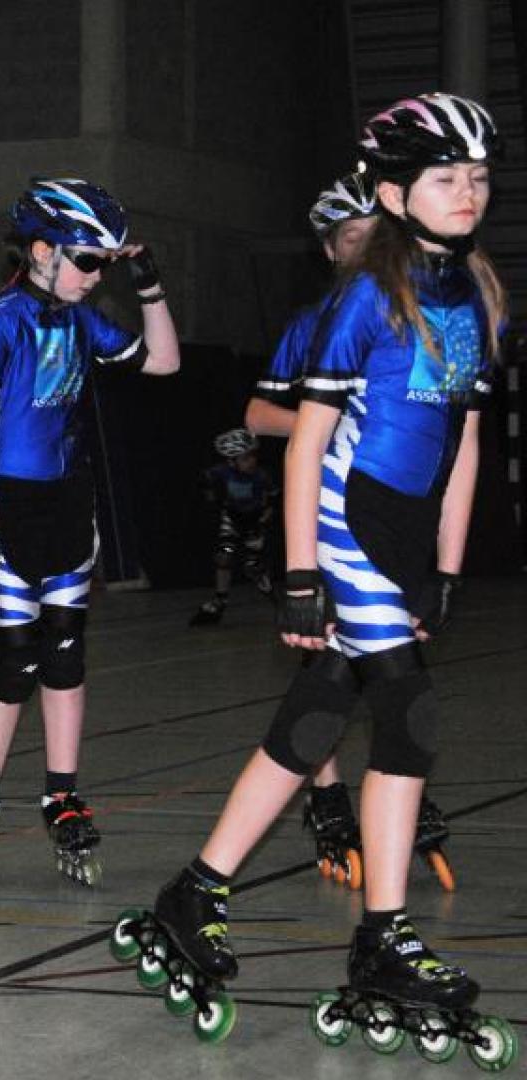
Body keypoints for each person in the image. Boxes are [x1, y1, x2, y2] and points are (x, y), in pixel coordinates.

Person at [125, 93, 506, 1053]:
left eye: (478, 177)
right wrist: (301, 573)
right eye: (444, 177)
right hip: (346, 520)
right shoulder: (365, 299)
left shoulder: (476, 296)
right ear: (394, 194)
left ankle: (196, 890)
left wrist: (447, 565)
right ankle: (384, 936)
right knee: (409, 711)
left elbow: (464, 443)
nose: (467, 192)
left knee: (321, 711)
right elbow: (305, 442)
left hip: (409, 531)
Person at [0, 177, 181, 889]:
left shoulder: (82, 320)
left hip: (69, 502)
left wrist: (148, 285)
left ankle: (62, 792)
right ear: (43, 251)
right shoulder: (2, 320)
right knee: (15, 658)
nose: (97, 275)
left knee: (66, 652)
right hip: (11, 505)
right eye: (88, 261)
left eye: (105, 264)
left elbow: (164, 362)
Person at [244, 173, 451, 890]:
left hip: (387, 512)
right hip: (323, 510)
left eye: (376, 237)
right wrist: (327, 425)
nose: (367, 250)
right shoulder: (314, 323)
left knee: (355, 661)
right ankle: (330, 794)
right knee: (336, 660)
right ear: (332, 250)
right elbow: (257, 415)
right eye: (353, 239)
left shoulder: (417, 313)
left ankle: (392, 780)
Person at [187, 428, 277, 627]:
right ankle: (220, 601)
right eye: (245, 459)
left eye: (252, 456)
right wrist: (211, 497)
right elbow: (204, 479)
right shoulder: (221, 472)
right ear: (231, 462)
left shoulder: (261, 476)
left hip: (255, 520)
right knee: (224, 555)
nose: (251, 462)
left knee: (252, 568)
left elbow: (272, 503)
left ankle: (278, 604)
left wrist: (262, 522)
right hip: (233, 518)